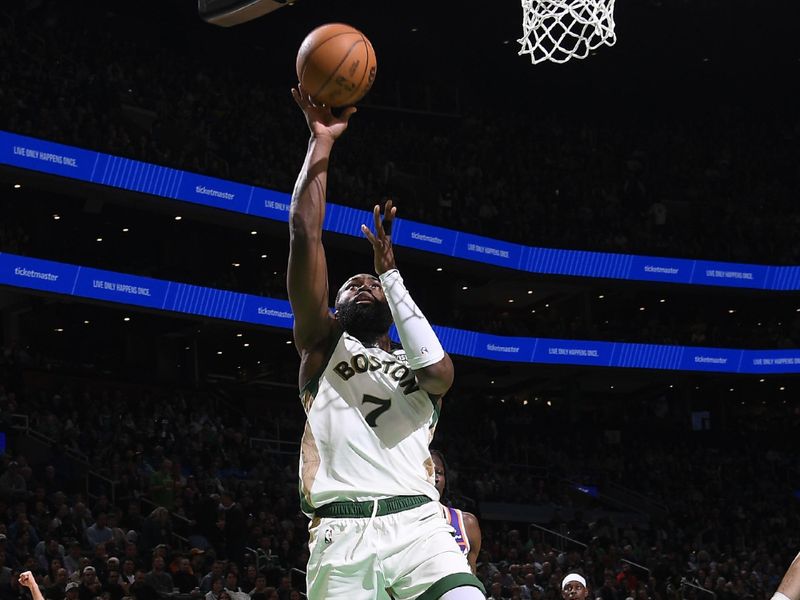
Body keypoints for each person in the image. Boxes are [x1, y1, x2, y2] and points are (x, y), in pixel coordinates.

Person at [288, 83, 485, 600]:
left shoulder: (417, 366)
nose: (361, 282)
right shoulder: (321, 346)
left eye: (370, 281)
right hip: (341, 533)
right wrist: (322, 143)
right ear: (335, 306)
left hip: (419, 526)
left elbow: (442, 373)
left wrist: (391, 275)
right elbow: (304, 235)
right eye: (351, 284)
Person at [429, 450, 482, 575]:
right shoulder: (397, 521)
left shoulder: (467, 523)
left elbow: (470, 576)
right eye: (428, 472)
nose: (435, 478)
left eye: (439, 473)